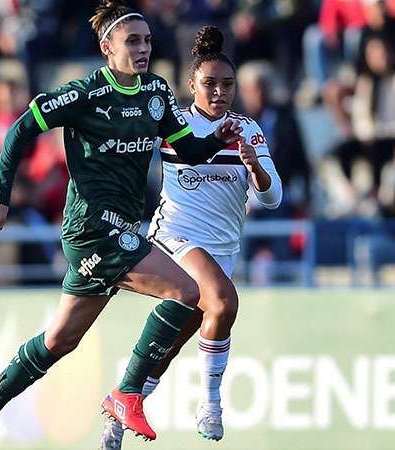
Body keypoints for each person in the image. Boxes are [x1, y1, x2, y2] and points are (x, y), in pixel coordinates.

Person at [0, 2, 243, 449]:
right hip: (92, 227)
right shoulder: (85, 94)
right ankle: (128, 393)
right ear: (107, 48)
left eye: (147, 40)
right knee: (188, 291)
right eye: (132, 41)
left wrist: (215, 142)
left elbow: (187, 152)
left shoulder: (157, 93)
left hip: (123, 225)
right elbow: (19, 130)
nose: (143, 49)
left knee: (61, 339)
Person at [100, 26, 282, 448]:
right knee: (223, 300)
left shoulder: (248, 130)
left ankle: (121, 402)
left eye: (227, 84)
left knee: (173, 345)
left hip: (222, 250)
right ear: (192, 85)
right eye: (210, 84)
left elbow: (272, 197)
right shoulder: (175, 122)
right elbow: (124, 150)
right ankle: (211, 404)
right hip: (175, 237)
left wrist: (253, 166)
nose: (219, 92)